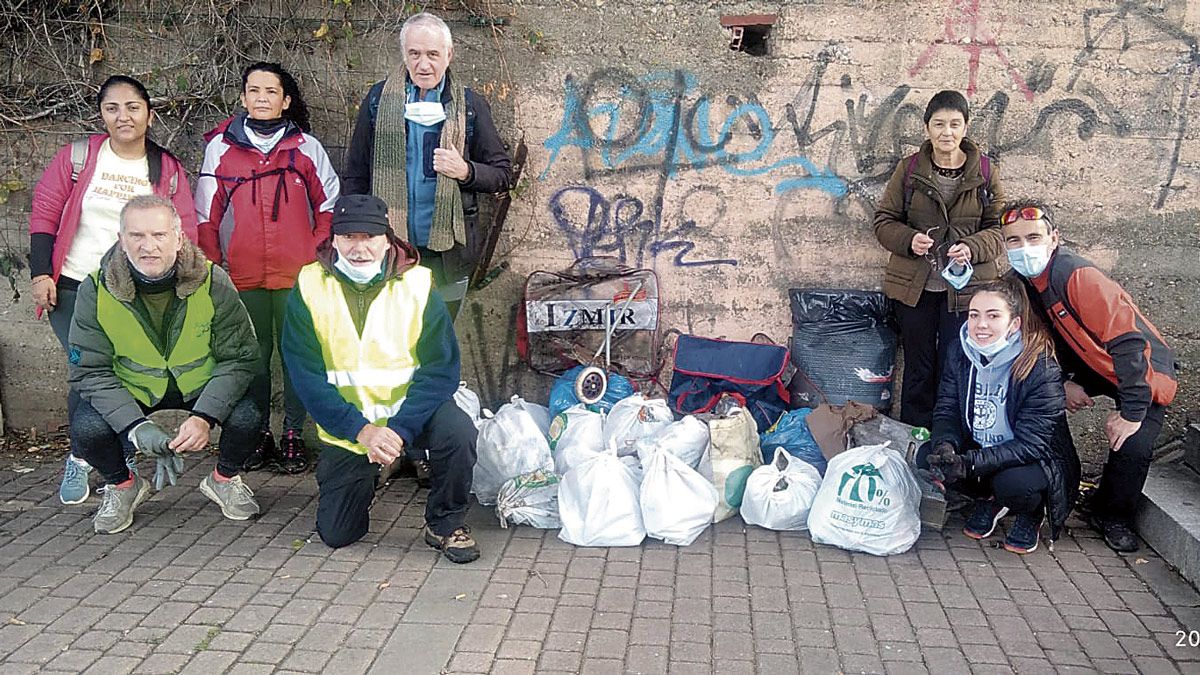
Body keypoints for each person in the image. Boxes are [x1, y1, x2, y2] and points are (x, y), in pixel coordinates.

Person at [29, 74, 199, 505]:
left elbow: (186, 230)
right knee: (86, 372)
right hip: (73, 285)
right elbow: (45, 215)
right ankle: (81, 456)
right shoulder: (79, 157)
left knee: (126, 370)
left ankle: (117, 460)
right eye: (112, 108)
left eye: (133, 107)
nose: (123, 116)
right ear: (102, 114)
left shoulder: (166, 169)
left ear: (149, 113)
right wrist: (40, 273)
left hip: (133, 291)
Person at [280, 194, 479, 562]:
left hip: (412, 415)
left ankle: (445, 524)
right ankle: (375, 470)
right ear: (333, 239)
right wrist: (364, 431)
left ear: (387, 238)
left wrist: (399, 430)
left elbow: (440, 370)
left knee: (460, 432)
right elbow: (305, 375)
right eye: (349, 237)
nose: (359, 248)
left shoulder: (419, 285)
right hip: (352, 429)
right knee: (339, 534)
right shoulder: (308, 286)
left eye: (369, 237)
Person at [68, 195, 261, 534]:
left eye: (159, 235)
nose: (148, 246)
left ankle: (223, 478)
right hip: (135, 386)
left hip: (200, 384)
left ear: (178, 238)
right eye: (136, 236)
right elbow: (89, 370)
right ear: (121, 240)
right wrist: (134, 427)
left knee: (249, 413)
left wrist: (205, 417)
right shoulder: (95, 289)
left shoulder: (213, 281)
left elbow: (240, 358)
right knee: (86, 427)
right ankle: (124, 485)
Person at [1000, 200, 1177, 552]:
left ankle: (1112, 514)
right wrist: (1061, 384)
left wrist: (1130, 413)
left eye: (1033, 237)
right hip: (1083, 365)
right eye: (1014, 241)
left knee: (1134, 443)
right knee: (1036, 402)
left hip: (1137, 367)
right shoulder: (1016, 284)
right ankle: (1060, 486)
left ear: (1054, 238)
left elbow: (1128, 343)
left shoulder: (1079, 275)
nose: (1024, 248)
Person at [196, 62, 341, 475]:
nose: (262, 97)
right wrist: (212, 267)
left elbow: (330, 205)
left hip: (299, 275)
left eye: (271, 91)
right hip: (243, 277)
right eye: (254, 90)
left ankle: (294, 433)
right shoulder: (221, 149)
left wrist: (316, 253)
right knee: (253, 359)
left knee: (297, 357)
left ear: (286, 100)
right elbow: (206, 212)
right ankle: (256, 432)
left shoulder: (306, 148)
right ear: (243, 98)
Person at [343, 11, 511, 318]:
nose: (423, 65)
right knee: (391, 334)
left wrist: (466, 171)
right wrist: (355, 233)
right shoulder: (379, 100)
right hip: (387, 246)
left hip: (447, 253)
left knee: (441, 337)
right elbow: (356, 173)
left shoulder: (470, 106)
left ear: (449, 54)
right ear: (404, 54)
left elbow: (502, 175)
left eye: (433, 54)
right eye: (414, 54)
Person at [873, 90, 1007, 429]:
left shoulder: (986, 172)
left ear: (966, 127)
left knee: (957, 363)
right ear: (927, 128)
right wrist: (908, 239)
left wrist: (972, 247)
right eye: (939, 124)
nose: (946, 133)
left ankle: (952, 436)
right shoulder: (910, 169)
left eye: (954, 124)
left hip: (966, 291)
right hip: (916, 289)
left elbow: (1000, 229)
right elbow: (884, 221)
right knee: (919, 366)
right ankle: (915, 435)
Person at [925, 278, 1080, 554]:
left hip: (1034, 458)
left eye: (993, 316)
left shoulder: (1040, 365)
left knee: (1013, 484)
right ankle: (989, 499)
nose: (981, 325)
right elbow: (947, 408)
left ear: (1014, 324)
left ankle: (1030, 513)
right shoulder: (959, 351)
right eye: (974, 315)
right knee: (928, 455)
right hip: (983, 445)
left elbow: (1033, 444)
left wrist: (970, 463)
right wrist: (946, 445)